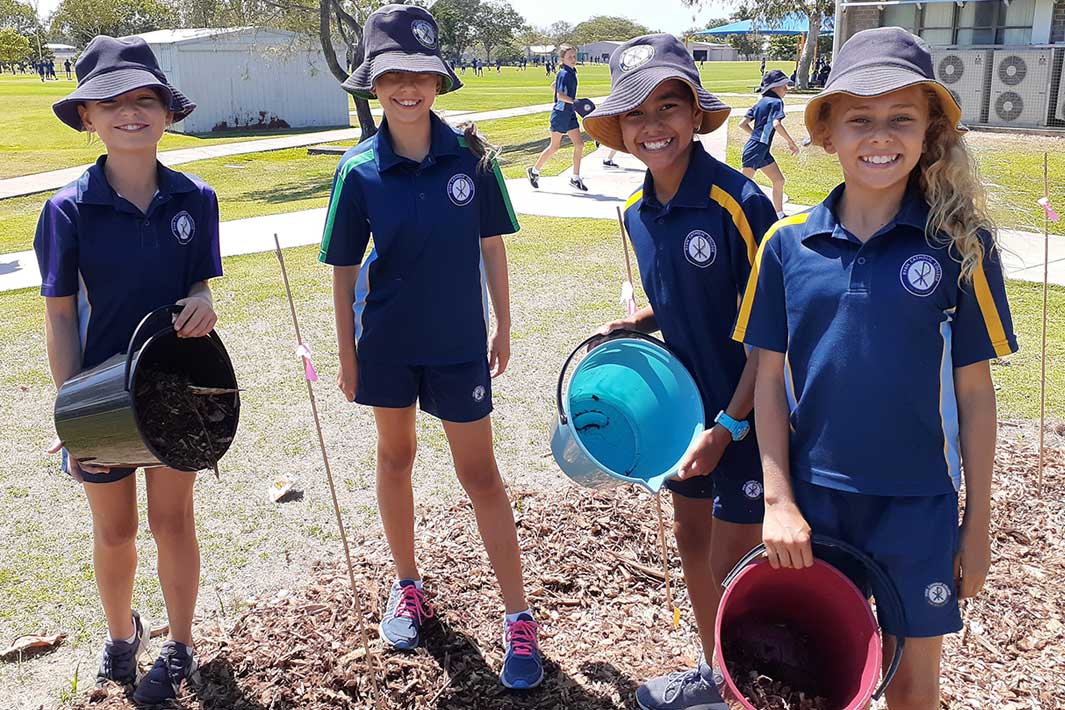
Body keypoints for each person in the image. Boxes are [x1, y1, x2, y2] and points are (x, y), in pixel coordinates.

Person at [734, 27, 1016, 709]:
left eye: (900, 119)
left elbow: (974, 397)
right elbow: (768, 381)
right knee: (817, 674)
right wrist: (777, 501)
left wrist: (975, 526)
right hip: (812, 502)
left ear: (928, 134)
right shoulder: (784, 244)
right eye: (858, 117)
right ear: (827, 132)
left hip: (917, 504)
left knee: (911, 685)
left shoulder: (959, 246)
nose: (879, 135)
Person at [319, 4, 543, 690]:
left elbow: (492, 247)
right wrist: (347, 354)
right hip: (386, 345)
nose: (407, 86)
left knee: (480, 475)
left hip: (455, 346)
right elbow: (344, 272)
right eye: (392, 73)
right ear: (372, 82)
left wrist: (502, 324)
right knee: (396, 456)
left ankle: (518, 619)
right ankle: (407, 586)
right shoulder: (357, 170)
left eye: (420, 72)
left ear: (440, 81)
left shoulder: (473, 158)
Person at [583, 34, 778, 710]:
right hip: (686, 420)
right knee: (692, 542)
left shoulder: (738, 202)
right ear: (619, 131)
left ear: (696, 115)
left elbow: (772, 328)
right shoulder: (638, 214)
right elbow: (687, 302)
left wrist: (731, 423)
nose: (651, 126)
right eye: (634, 113)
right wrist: (642, 323)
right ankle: (717, 675)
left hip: (751, 422)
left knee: (737, 566)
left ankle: (757, 688)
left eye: (668, 105)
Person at [37, 35, 219, 704]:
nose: (129, 113)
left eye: (144, 99)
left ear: (166, 111)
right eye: (109, 102)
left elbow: (199, 286)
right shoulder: (66, 209)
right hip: (100, 400)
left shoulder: (194, 197)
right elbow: (59, 317)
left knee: (174, 523)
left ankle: (181, 646)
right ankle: (121, 638)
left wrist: (203, 300)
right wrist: (72, 412)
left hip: (174, 389)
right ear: (87, 117)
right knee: (115, 531)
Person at [526, 44, 587, 192]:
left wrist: (571, 102)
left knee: (579, 145)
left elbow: (553, 86)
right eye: (570, 57)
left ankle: (575, 178)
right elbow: (559, 95)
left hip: (569, 113)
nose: (573, 59)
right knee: (554, 147)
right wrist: (575, 102)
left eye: (574, 56)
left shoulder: (569, 72)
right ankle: (534, 171)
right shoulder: (565, 74)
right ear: (562, 59)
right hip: (560, 114)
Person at [739, 69, 799, 218]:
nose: (787, 89)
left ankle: (779, 215)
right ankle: (733, 214)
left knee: (779, 180)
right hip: (757, 149)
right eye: (784, 86)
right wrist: (791, 142)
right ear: (774, 88)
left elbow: (742, 123)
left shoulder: (760, 103)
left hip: (759, 149)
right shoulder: (777, 102)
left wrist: (756, 136)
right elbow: (776, 124)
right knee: (741, 185)